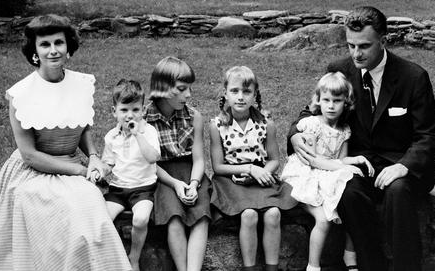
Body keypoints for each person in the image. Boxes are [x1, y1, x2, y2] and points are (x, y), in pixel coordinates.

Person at [287, 6, 435, 271]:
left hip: (401, 165)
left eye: (364, 46)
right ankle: (372, 265)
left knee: (398, 192)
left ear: (383, 40)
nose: (356, 54)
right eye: (351, 46)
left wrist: (403, 166)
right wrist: (294, 135)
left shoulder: (413, 77)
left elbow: (428, 136)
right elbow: (311, 110)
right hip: (359, 165)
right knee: (346, 193)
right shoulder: (340, 70)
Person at [0, 14, 131, 271]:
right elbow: (29, 155)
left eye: (59, 42)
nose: (53, 50)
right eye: (45, 44)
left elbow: (81, 128)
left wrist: (93, 157)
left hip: (72, 165)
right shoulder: (21, 94)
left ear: (68, 47)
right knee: (65, 217)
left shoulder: (81, 83)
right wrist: (81, 170)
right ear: (34, 51)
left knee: (92, 216)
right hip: (33, 175)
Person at [281, 72, 374, 271]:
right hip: (306, 176)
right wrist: (342, 167)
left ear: (346, 103)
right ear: (318, 101)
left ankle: (350, 258)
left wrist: (356, 160)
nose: (331, 106)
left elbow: (339, 159)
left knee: (349, 208)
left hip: (326, 175)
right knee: (323, 220)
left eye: (337, 101)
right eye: (326, 100)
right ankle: (313, 266)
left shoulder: (344, 131)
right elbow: (313, 160)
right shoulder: (312, 124)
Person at [209, 66, 297, 271]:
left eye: (247, 92)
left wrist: (264, 171)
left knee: (273, 213)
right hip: (232, 181)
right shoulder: (217, 126)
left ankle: (272, 267)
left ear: (255, 94)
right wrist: (249, 169)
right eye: (235, 91)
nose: (240, 97)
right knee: (249, 215)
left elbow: (275, 159)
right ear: (225, 93)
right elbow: (218, 166)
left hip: (261, 178)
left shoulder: (266, 124)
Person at [143, 56, 211, 271]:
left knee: (201, 216)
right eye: (181, 89)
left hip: (191, 172)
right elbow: (148, 164)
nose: (188, 95)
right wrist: (175, 184)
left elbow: (199, 158)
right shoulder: (144, 119)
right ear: (162, 88)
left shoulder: (194, 116)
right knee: (174, 217)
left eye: (189, 88)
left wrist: (192, 183)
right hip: (160, 174)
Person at [96, 79, 161, 271]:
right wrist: (101, 171)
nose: (129, 115)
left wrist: (137, 135)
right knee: (103, 219)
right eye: (124, 110)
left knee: (140, 219)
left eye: (135, 109)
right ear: (114, 111)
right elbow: (109, 162)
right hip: (118, 188)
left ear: (143, 111)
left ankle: (134, 256)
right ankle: (111, 258)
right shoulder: (111, 136)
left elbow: (152, 158)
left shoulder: (148, 131)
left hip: (143, 188)